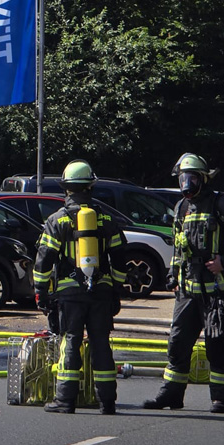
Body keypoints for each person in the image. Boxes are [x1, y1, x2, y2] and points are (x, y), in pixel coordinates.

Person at [143, 153, 224, 414]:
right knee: (177, 342)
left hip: (217, 291)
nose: (186, 183)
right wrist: (172, 276)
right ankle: (171, 394)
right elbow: (178, 246)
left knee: (216, 343)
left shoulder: (221, 204)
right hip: (187, 292)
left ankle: (219, 399)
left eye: (191, 178)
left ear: (203, 179)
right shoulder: (181, 207)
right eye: (183, 178)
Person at [33, 160, 127, 414]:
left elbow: (44, 259)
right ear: (90, 187)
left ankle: (65, 400)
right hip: (101, 293)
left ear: (66, 188)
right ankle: (107, 402)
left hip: (70, 294)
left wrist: (40, 291)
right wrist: (115, 289)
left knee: (71, 341)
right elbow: (120, 257)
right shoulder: (107, 218)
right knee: (101, 343)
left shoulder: (57, 220)